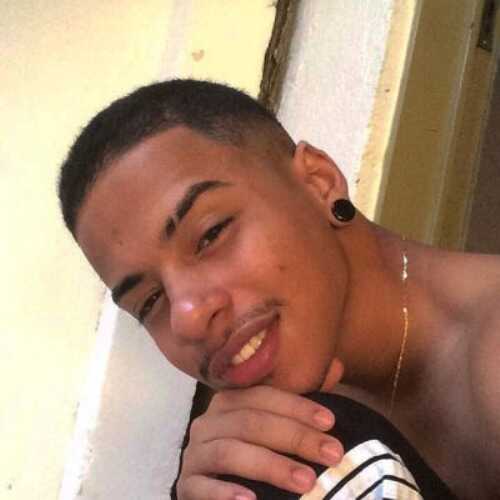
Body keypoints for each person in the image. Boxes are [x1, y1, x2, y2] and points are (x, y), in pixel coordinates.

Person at [58, 79, 500, 499]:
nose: (187, 317)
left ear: (318, 183)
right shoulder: (280, 439)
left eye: (211, 234)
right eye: (150, 301)